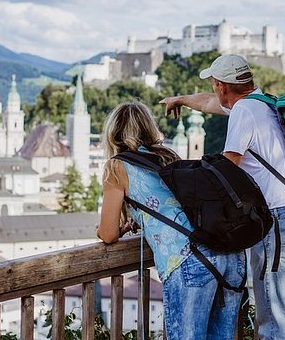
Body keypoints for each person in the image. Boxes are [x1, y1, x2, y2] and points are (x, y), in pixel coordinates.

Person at [161, 54, 285, 340]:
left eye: (213, 83)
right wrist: (181, 99)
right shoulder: (264, 102)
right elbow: (209, 104)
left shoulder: (243, 112)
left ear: (222, 85)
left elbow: (225, 169)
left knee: (274, 315)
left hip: (278, 220)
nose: (212, 89)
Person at [96, 101, 245, 340]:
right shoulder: (169, 156)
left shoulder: (117, 166)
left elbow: (108, 234)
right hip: (227, 255)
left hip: (188, 259)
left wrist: (122, 226)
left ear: (113, 133)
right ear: (148, 127)